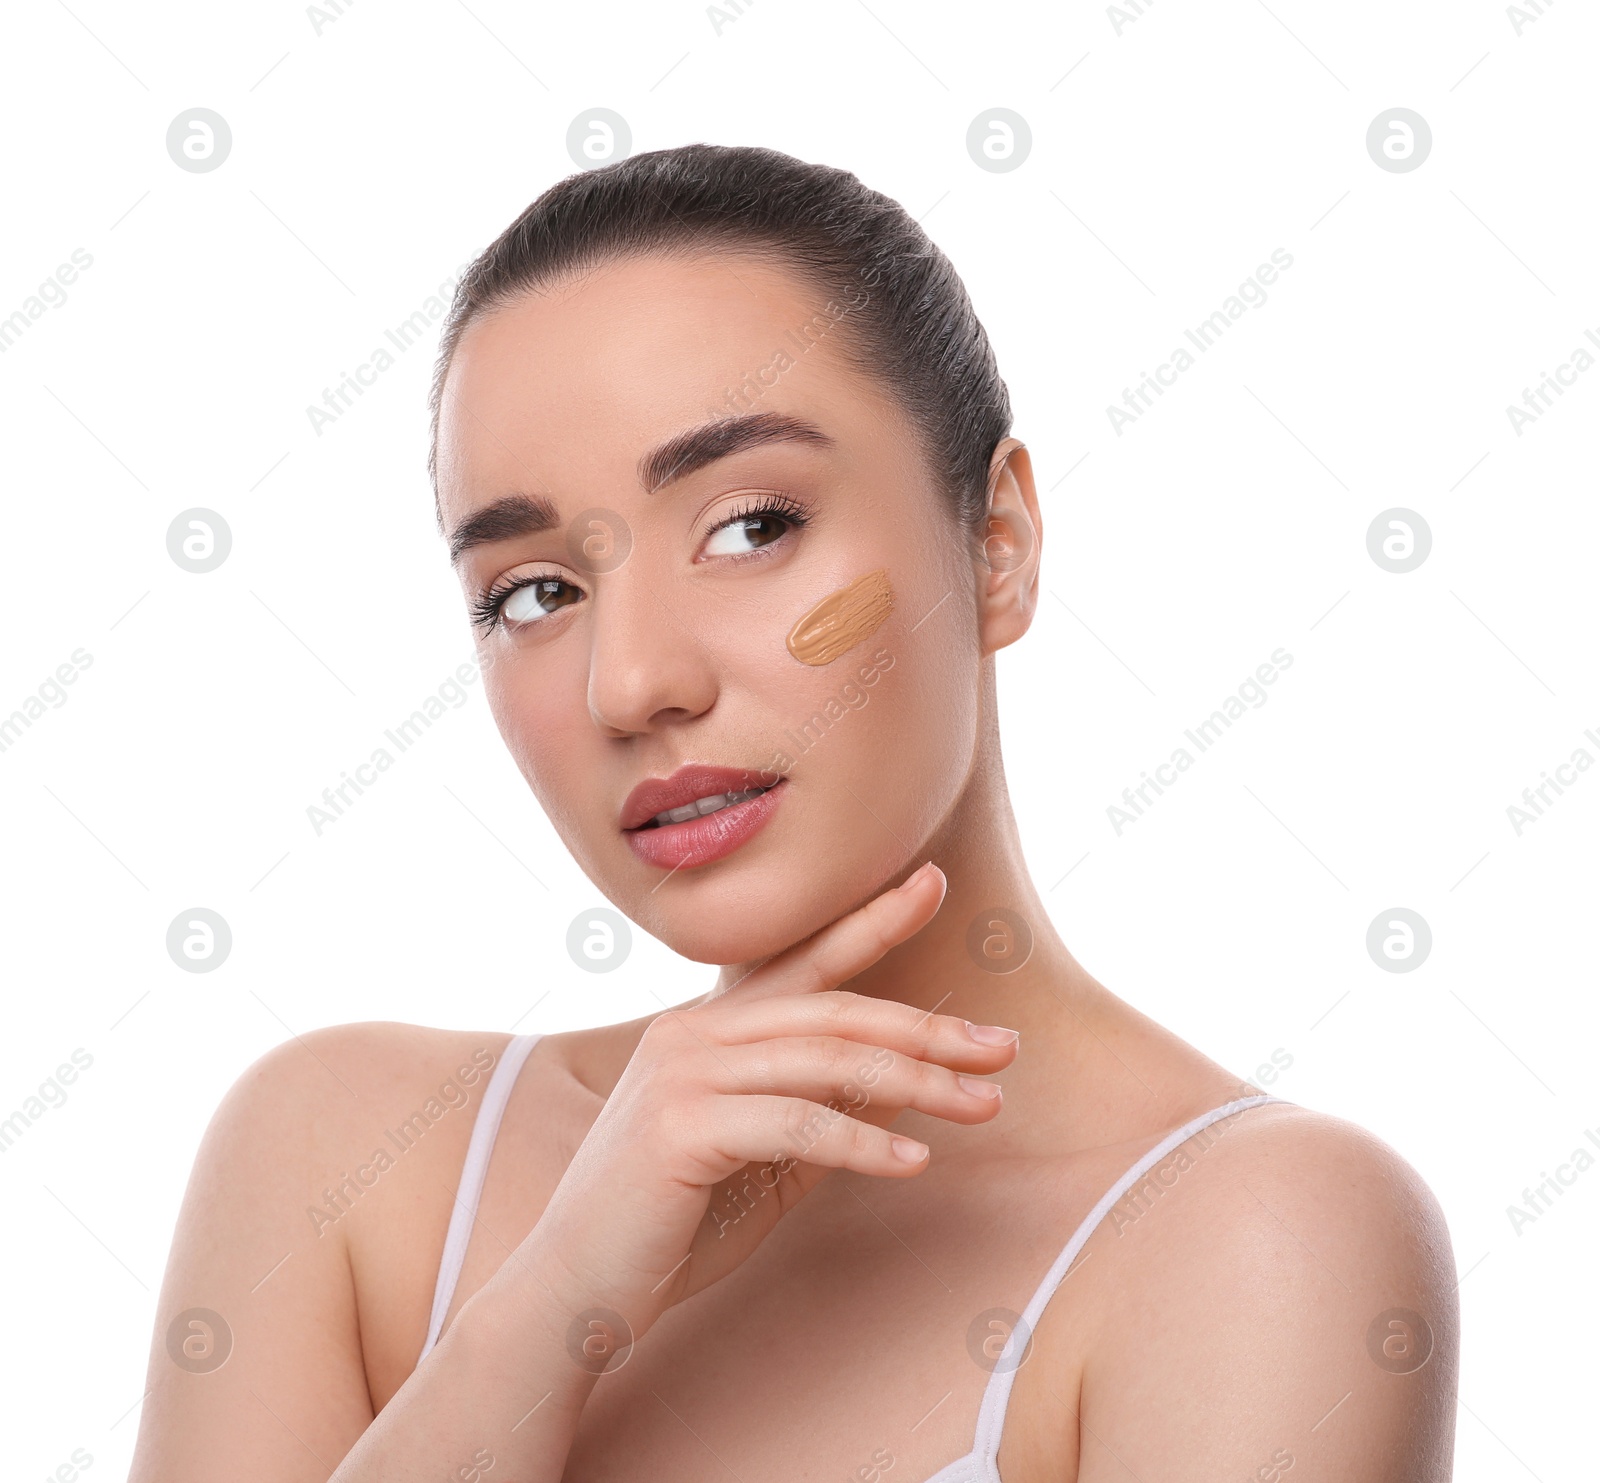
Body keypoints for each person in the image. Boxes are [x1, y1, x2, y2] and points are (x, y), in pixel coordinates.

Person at [130, 143, 1457, 1482]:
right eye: (533, 591)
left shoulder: (1255, 1234)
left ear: (995, 543)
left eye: (751, 524)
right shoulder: (338, 1162)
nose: (634, 680)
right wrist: (543, 1318)